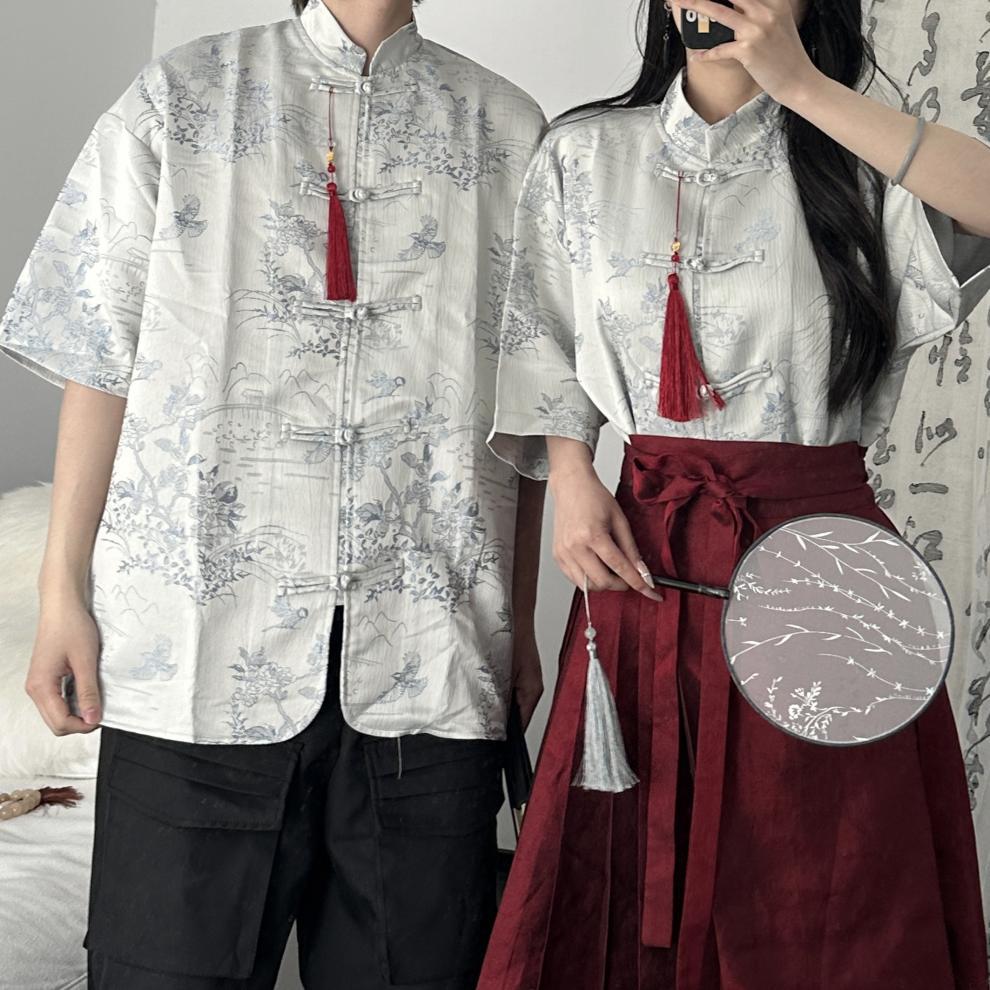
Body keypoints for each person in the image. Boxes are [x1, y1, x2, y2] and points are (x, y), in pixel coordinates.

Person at [0, 0, 547, 986]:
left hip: (430, 655)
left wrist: (520, 627)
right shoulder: (182, 97)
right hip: (195, 659)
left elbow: (531, 409)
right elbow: (98, 354)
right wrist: (60, 591)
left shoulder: (506, 129)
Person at [479, 0, 990, 987]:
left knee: (825, 892)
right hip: (644, 558)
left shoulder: (857, 157)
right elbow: (539, 334)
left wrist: (801, 87)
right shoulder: (585, 154)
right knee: (619, 884)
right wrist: (574, 474)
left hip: (827, 579)